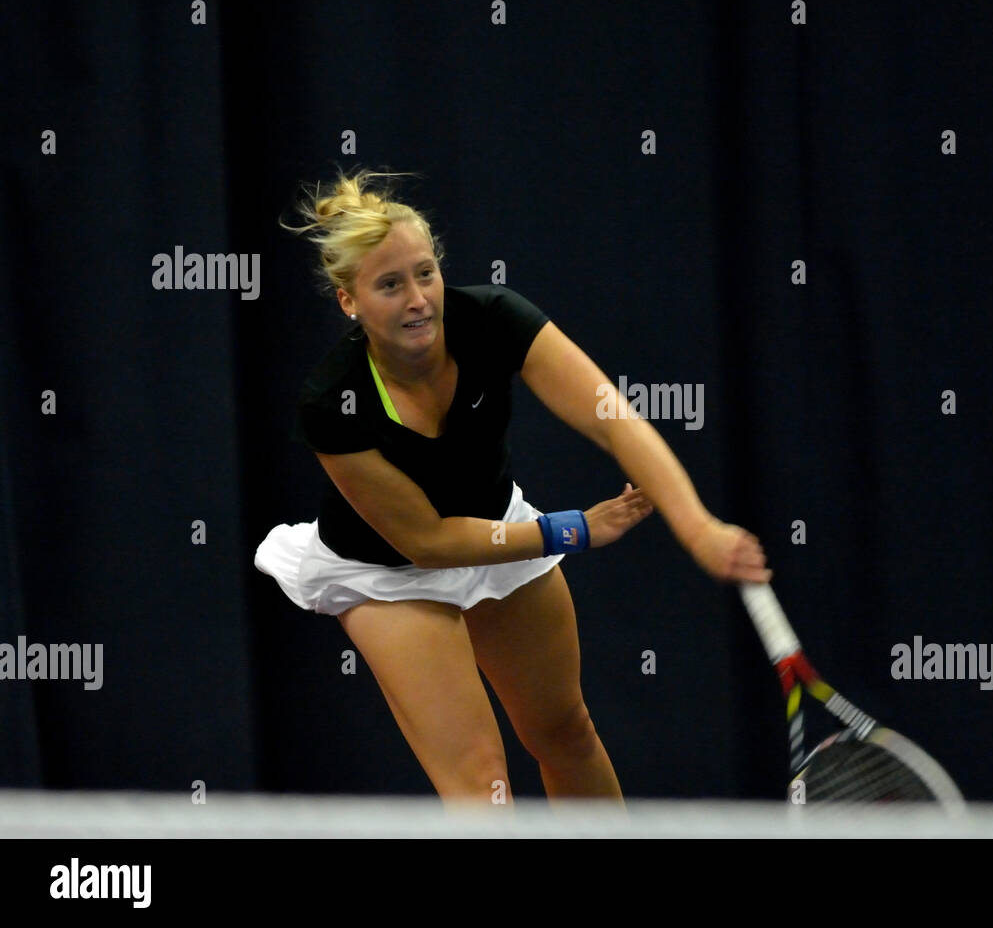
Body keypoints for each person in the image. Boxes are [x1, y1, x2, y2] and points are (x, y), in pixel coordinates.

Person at [255, 168, 771, 804]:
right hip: (387, 572)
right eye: (390, 284)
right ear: (349, 301)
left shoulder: (494, 319)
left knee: (565, 731)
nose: (418, 299)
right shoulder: (333, 403)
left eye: (425, 273)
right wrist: (572, 529)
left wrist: (697, 526)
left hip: (499, 528)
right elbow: (430, 543)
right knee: (484, 787)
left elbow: (615, 418)